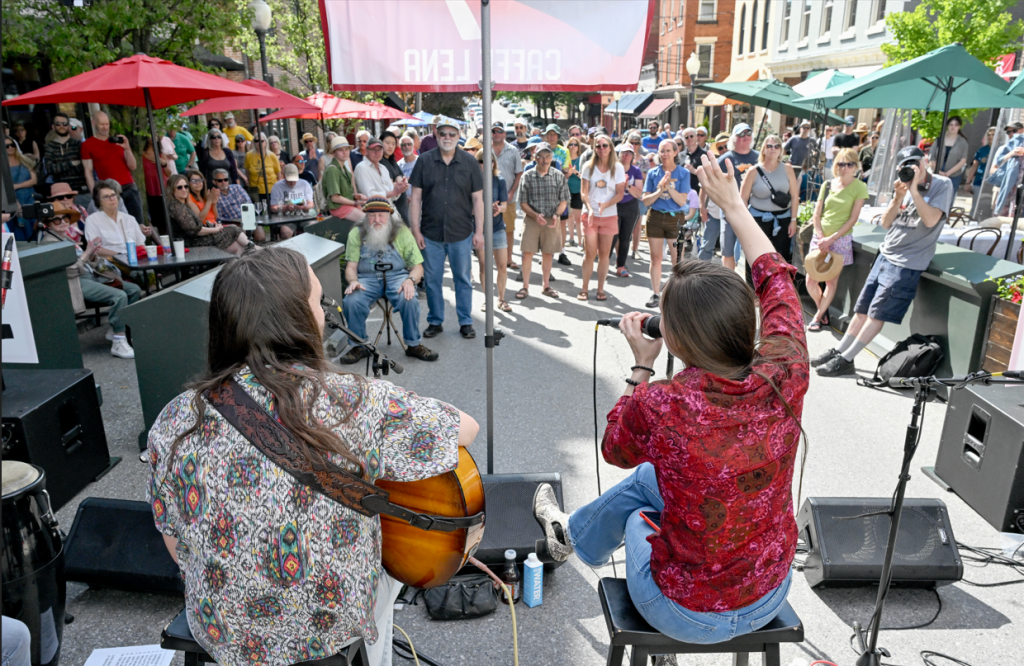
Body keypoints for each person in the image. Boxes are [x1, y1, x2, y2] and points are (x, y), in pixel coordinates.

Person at [147, 243, 479, 666]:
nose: (324, 312)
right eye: (319, 302)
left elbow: (174, 539)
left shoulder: (176, 417)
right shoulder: (355, 401)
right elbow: (464, 429)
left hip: (222, 632)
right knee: (390, 566)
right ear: (298, 319)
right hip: (322, 636)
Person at [532, 151, 806, 650]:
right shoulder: (785, 371)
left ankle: (571, 539)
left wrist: (641, 365)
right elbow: (778, 280)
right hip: (770, 588)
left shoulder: (662, 404)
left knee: (639, 506)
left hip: (684, 610)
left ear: (674, 341)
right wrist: (735, 209)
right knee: (650, 477)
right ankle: (567, 535)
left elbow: (615, 447)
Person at [815, 146, 953, 376]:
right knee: (862, 310)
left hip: (907, 262)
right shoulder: (903, 185)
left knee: (877, 314)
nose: (912, 168)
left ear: (924, 161)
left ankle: (848, 359)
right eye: (906, 165)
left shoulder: (941, 184)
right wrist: (898, 197)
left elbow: (930, 221)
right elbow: (887, 223)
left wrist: (915, 190)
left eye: (915, 162)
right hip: (885, 253)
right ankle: (839, 351)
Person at [340, 197, 438, 363]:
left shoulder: (402, 232)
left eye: (381, 215)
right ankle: (359, 346)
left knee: (409, 299)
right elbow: (350, 267)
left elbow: (418, 267)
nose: (377, 220)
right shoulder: (356, 233)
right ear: (365, 217)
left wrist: (410, 281)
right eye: (372, 216)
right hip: (367, 279)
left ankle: (414, 344)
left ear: (389, 215)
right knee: (352, 300)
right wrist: (353, 281)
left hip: (397, 277)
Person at [409, 121, 484, 339]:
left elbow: (478, 199)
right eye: (443, 133)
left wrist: (479, 231)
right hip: (431, 232)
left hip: (461, 231)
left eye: (452, 133)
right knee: (432, 280)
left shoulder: (470, 162)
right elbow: (415, 198)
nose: (447, 137)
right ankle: (435, 321)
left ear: (459, 135)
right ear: (436, 135)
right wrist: (415, 230)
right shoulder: (424, 161)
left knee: (463, 278)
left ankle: (466, 321)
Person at [39, 203, 141, 358]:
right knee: (119, 296)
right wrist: (87, 252)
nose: (63, 222)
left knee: (133, 290)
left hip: (89, 277)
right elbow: (69, 271)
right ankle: (119, 342)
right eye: (57, 220)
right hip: (74, 282)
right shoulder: (49, 243)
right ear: (47, 224)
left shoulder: (65, 238)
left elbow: (86, 263)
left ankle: (118, 329)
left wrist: (92, 253)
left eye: (65, 218)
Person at [804, 147, 868, 333]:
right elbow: (817, 213)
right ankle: (822, 309)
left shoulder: (859, 187)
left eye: (849, 164)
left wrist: (832, 238)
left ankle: (818, 317)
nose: (845, 167)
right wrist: (820, 236)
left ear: (856, 166)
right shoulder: (828, 184)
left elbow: (853, 219)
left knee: (831, 282)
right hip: (820, 237)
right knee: (810, 280)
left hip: (840, 239)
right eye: (841, 163)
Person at [739, 133, 799, 284]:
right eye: (769, 146)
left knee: (780, 257)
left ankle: (779, 290)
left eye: (777, 146)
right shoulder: (753, 171)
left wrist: (793, 220)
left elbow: (794, 196)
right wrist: (745, 223)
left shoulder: (787, 169)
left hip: (782, 219)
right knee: (755, 256)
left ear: (781, 150)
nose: (773, 149)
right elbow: (743, 199)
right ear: (763, 149)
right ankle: (752, 293)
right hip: (758, 219)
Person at [515, 142, 568, 301]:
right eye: (541, 157)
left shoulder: (558, 175)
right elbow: (522, 202)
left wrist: (557, 215)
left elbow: (564, 200)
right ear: (535, 157)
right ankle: (525, 286)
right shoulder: (527, 176)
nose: (544, 160)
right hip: (532, 219)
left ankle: (546, 286)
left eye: (547, 156)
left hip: (551, 219)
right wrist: (534, 214)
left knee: (548, 254)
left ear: (552, 157)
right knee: (527, 254)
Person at [641, 139, 690, 308]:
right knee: (656, 258)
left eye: (668, 150)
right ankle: (656, 293)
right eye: (662, 151)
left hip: (675, 219)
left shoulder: (683, 173)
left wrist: (668, 187)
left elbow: (682, 200)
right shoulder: (653, 173)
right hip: (655, 217)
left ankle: (676, 295)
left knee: (677, 259)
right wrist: (659, 189)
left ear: (675, 152)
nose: (664, 154)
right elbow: (646, 200)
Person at [577, 134, 624, 302]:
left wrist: (606, 205)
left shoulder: (618, 168)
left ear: (610, 147)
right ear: (594, 148)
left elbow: (620, 194)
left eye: (605, 145)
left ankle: (600, 289)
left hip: (609, 216)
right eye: (598, 146)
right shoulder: (588, 167)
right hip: (590, 215)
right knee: (590, 253)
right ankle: (584, 288)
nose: (601, 149)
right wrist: (590, 208)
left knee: (604, 254)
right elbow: (584, 192)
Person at [81, 111, 144, 225]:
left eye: (107, 124)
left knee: (137, 223)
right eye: (101, 124)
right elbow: (88, 172)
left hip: (129, 187)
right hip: (110, 191)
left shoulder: (117, 142)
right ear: (94, 123)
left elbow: (133, 166)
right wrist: (95, 194)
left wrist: (127, 149)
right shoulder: (87, 145)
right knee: (115, 224)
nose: (105, 127)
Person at [714, 123, 760, 272]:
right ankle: (728, 284)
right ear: (734, 138)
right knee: (728, 251)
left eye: (748, 133)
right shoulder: (725, 159)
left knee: (754, 251)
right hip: (730, 211)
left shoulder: (759, 158)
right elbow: (714, 185)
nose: (746, 137)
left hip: (753, 211)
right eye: (741, 134)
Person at [165, 173, 247, 254]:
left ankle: (251, 254)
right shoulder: (179, 205)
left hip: (208, 230)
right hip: (195, 241)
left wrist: (213, 203)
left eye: (185, 186)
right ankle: (253, 249)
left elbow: (215, 217)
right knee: (234, 229)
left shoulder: (202, 197)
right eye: (179, 187)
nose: (184, 189)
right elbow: (196, 227)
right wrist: (209, 202)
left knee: (238, 246)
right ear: (172, 189)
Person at [474, 149, 511, 313]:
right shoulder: (472, 181)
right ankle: (487, 299)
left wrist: (497, 208)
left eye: (490, 161)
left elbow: (504, 205)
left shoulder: (499, 180)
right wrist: (484, 208)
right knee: (484, 266)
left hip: (497, 228)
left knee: (502, 266)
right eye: (482, 161)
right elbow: (469, 208)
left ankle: (501, 299)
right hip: (480, 230)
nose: (486, 165)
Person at [84, 179, 160, 259]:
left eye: (113, 195)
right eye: (106, 197)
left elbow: (140, 244)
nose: (112, 199)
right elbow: (95, 249)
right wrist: (121, 256)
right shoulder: (92, 220)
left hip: (135, 261)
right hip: (108, 263)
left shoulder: (130, 219)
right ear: (99, 201)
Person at [490, 121, 524, 270]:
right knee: (488, 229)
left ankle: (509, 259)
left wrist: (511, 193)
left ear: (505, 134)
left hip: (508, 199)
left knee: (508, 230)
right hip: (488, 199)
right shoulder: (485, 150)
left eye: (499, 131)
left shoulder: (513, 151)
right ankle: (490, 259)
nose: (496, 134)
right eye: (494, 131)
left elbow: (519, 173)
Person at [43, 112, 89, 206]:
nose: (61, 126)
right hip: (61, 195)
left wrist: (60, 168)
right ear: (53, 126)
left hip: (81, 190)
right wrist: (71, 164)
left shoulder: (78, 144)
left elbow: (84, 167)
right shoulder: (50, 146)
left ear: (68, 126)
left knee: (86, 218)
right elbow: (50, 169)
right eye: (58, 123)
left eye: (64, 124)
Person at [613, 143, 643, 278]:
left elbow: (638, 193)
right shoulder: (613, 169)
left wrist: (627, 185)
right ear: (619, 154)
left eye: (629, 153)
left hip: (630, 206)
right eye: (624, 153)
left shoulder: (636, 171)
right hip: (615, 206)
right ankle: (604, 263)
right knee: (612, 237)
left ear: (633, 156)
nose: (626, 155)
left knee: (625, 238)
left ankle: (621, 265)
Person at [211, 168, 266, 243]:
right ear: (214, 182)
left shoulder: (237, 188)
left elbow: (249, 204)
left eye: (225, 179)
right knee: (242, 232)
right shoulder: (214, 195)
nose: (223, 182)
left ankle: (259, 252)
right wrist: (235, 222)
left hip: (247, 220)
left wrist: (245, 219)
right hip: (231, 224)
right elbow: (218, 217)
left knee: (260, 235)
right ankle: (247, 251)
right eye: (220, 180)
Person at [323, 137, 368, 224]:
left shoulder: (344, 168)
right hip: (338, 207)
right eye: (340, 150)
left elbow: (343, 193)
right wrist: (355, 203)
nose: (345, 152)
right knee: (368, 220)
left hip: (347, 205)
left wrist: (356, 196)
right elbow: (335, 198)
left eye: (346, 149)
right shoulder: (332, 169)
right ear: (334, 152)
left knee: (374, 216)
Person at [354, 138, 407, 212]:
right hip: (374, 214)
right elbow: (369, 196)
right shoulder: (361, 167)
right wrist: (393, 192)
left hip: (390, 211)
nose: (377, 152)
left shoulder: (383, 168)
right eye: (373, 150)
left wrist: (399, 189)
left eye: (379, 150)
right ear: (366, 151)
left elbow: (392, 195)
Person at [269, 164, 315, 239]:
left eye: (294, 180)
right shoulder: (277, 186)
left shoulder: (304, 184)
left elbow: (311, 204)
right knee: (285, 232)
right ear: (284, 176)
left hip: (304, 216)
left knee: (313, 227)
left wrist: (303, 207)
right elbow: (273, 207)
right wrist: (286, 207)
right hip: (285, 219)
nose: (293, 182)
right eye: (290, 180)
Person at [7, 138, 38, 241]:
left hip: (29, 197)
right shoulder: (2, 165)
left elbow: (34, 180)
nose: (10, 148)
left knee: (34, 225)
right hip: (12, 199)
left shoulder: (24, 160)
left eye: (12, 145)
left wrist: (17, 186)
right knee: (18, 228)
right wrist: (15, 203)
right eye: (7, 146)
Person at [928, 115, 969, 192]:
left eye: (956, 125)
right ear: (947, 126)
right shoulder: (939, 139)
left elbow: (963, 160)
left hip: (954, 174)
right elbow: (931, 157)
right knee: (933, 194)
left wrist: (948, 173)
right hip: (936, 172)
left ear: (959, 126)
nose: (953, 127)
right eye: (951, 124)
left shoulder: (963, 142)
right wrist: (939, 171)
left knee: (949, 197)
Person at [142, 137, 173, 232]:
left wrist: (163, 163)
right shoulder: (141, 154)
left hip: (161, 187)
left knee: (164, 218)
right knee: (154, 218)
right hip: (148, 189)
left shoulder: (161, 154)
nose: (152, 138)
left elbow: (168, 173)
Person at [379, 131, 409, 223]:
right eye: (387, 143)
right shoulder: (381, 162)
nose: (391, 146)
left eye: (393, 143)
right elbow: (388, 186)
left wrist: (399, 179)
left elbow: (400, 175)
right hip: (393, 207)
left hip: (402, 205)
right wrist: (400, 183)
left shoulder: (392, 160)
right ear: (380, 143)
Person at [964, 126, 996, 211]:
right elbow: (974, 167)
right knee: (976, 206)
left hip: (993, 183)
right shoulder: (981, 150)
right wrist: (968, 182)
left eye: (993, 134)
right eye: (989, 134)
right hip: (979, 181)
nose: (990, 137)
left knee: (991, 207)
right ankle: (972, 222)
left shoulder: (1000, 150)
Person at [245, 133, 282, 206]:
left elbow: (278, 174)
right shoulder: (248, 155)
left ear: (265, 142)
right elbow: (247, 172)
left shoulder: (272, 156)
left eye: (261, 141)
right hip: (256, 191)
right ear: (254, 143)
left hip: (271, 190)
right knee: (259, 212)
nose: (259, 143)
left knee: (272, 212)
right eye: (256, 141)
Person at [565, 134, 585, 250]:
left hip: (578, 191)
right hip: (567, 190)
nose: (573, 146)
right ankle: (571, 238)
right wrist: (570, 173)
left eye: (575, 144)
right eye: (571, 144)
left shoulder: (581, 159)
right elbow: (564, 175)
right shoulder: (565, 159)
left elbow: (584, 176)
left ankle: (580, 242)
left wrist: (575, 172)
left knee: (578, 218)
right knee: (569, 216)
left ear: (578, 146)